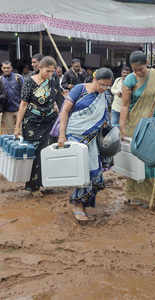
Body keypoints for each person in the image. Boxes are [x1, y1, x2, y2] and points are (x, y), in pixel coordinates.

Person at [119, 51, 155, 210]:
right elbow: (124, 105)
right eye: (135, 69)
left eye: (141, 69)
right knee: (138, 162)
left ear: (147, 64)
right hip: (135, 127)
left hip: (153, 126)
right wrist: (122, 127)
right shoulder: (129, 80)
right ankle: (137, 196)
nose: (138, 72)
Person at [58, 68, 114, 223]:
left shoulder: (105, 95)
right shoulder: (79, 89)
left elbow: (105, 116)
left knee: (93, 172)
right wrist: (62, 135)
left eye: (107, 86)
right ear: (94, 79)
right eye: (102, 84)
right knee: (81, 171)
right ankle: (77, 205)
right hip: (75, 135)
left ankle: (85, 202)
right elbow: (65, 111)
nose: (104, 88)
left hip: (92, 138)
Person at [14, 56, 59, 195]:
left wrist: (58, 116)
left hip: (49, 121)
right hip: (32, 122)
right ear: (39, 67)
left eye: (52, 71)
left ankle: (45, 182)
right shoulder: (29, 82)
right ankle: (32, 186)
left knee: (46, 152)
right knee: (34, 153)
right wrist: (17, 126)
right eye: (47, 71)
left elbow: (55, 100)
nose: (50, 74)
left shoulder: (52, 81)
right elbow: (23, 104)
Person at [1, 61, 24, 135]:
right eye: (4, 68)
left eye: (8, 68)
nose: (6, 70)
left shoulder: (18, 77)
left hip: (19, 110)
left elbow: (25, 93)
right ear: (1, 68)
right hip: (7, 111)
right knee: (9, 134)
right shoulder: (0, 79)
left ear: (11, 68)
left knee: (21, 133)